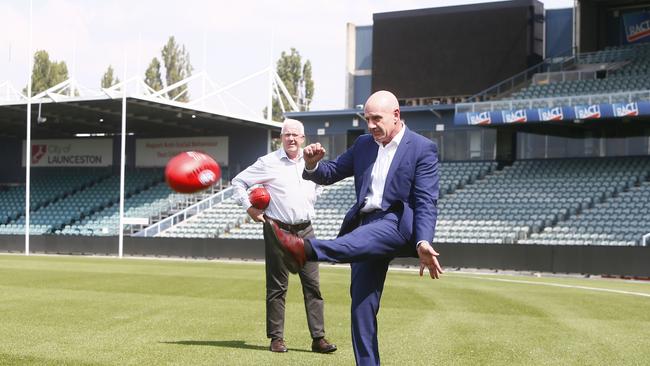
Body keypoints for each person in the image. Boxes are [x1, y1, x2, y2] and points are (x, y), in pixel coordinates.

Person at [264, 91, 442, 365]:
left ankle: (305, 249)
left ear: (396, 115)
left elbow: (426, 201)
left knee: (360, 237)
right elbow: (331, 172)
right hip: (367, 222)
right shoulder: (363, 144)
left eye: (376, 119)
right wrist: (311, 165)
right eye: (367, 119)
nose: (370, 125)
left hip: (396, 223)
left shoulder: (422, 148)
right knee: (361, 306)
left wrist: (423, 242)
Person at [231, 119, 337, 354]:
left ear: (302, 138)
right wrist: (249, 207)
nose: (291, 138)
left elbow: (319, 185)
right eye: (287, 134)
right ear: (281, 137)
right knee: (277, 287)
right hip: (278, 229)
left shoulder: (311, 162)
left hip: (307, 230)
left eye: (295, 135)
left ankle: (318, 339)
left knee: (313, 286)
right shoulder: (267, 162)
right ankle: (276, 338)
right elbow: (237, 181)